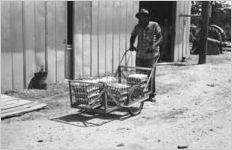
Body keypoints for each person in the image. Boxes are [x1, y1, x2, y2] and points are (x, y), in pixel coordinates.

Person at [129, 8, 162, 102]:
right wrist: (131, 45)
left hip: (151, 55)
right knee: (139, 75)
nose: (140, 20)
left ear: (147, 18)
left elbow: (160, 38)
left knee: (150, 74)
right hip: (140, 54)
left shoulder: (154, 25)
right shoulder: (137, 26)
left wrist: (154, 46)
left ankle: (152, 94)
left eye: (142, 17)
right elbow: (133, 36)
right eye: (139, 18)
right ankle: (140, 92)